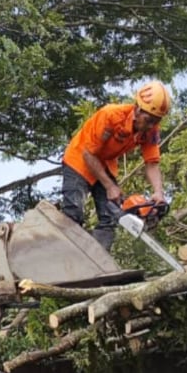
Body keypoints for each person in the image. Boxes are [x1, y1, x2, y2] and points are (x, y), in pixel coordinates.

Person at [61, 80, 171, 250]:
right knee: (73, 212)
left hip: (105, 163)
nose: (151, 126)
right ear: (137, 109)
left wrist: (158, 192)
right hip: (80, 159)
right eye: (148, 120)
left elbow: (152, 163)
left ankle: (95, 257)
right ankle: (63, 252)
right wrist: (110, 186)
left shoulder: (151, 130)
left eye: (155, 121)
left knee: (110, 218)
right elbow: (88, 154)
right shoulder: (111, 115)